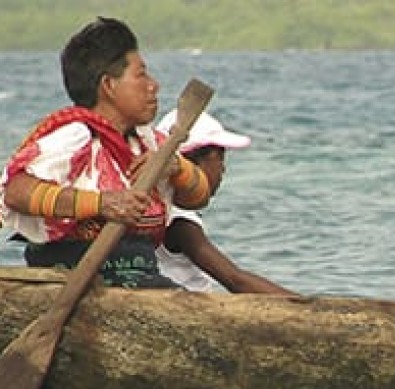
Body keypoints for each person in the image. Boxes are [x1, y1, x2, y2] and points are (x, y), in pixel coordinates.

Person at [0, 17, 210, 288]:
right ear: (109, 86)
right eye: (141, 74)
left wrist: (178, 168)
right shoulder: (75, 137)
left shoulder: (148, 144)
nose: (153, 85)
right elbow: (16, 192)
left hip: (140, 273)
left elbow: (200, 197)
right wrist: (103, 204)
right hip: (75, 278)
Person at [155, 109, 296, 294]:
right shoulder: (180, 222)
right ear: (191, 163)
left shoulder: (160, 206)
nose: (223, 168)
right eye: (219, 158)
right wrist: (308, 307)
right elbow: (235, 280)